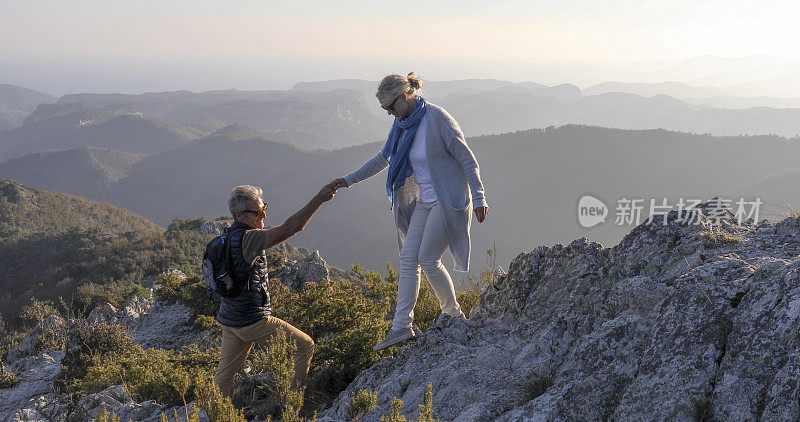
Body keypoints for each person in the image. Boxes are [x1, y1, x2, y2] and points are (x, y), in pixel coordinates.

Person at [332, 72, 488, 351]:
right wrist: (348, 180)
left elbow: (467, 159)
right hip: (425, 202)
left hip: (447, 199)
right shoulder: (403, 124)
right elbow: (384, 157)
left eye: (390, 107)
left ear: (404, 97)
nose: (390, 114)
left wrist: (479, 197)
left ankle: (454, 314)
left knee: (427, 259)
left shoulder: (437, 119)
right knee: (408, 259)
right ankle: (401, 326)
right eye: (385, 110)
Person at [213, 182, 338, 397]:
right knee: (305, 346)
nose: (263, 216)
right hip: (252, 320)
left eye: (265, 209)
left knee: (225, 376)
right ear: (240, 215)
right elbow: (291, 228)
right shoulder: (249, 237)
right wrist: (318, 198)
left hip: (230, 319)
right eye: (259, 212)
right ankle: (292, 404)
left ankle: (212, 413)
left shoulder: (226, 237)